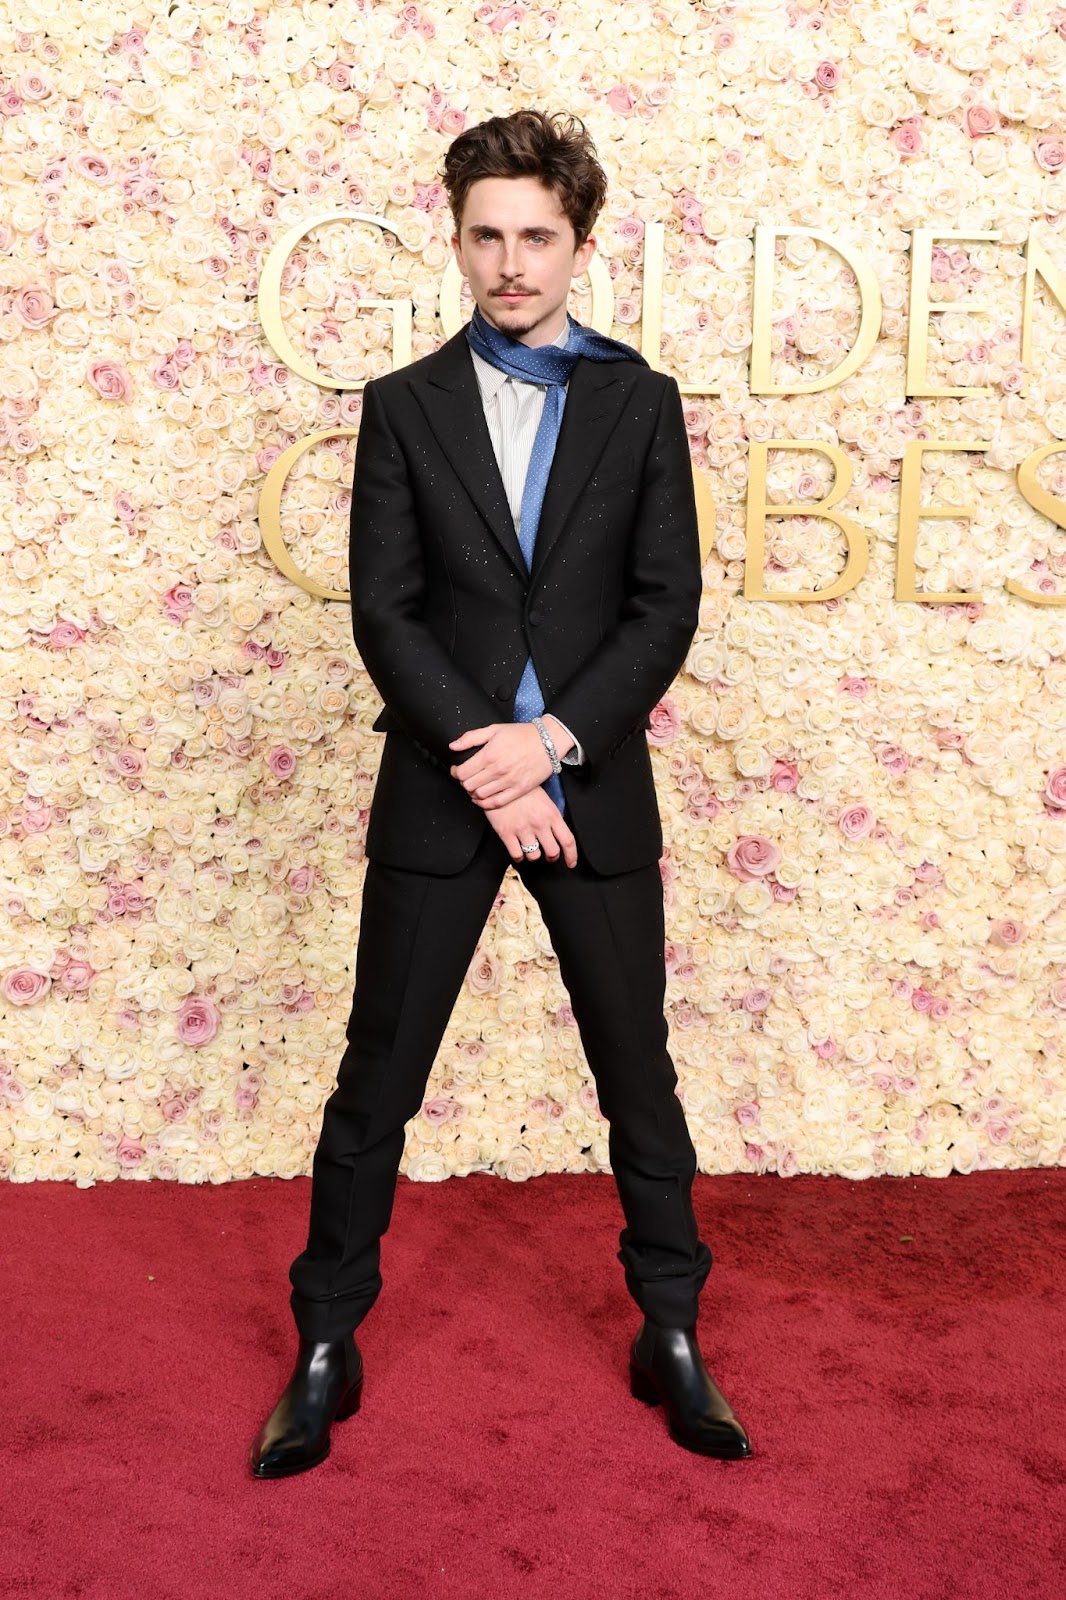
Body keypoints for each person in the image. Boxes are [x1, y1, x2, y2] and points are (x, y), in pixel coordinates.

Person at [250, 108, 751, 1478]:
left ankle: (671, 1332)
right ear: (457, 241)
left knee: (635, 1077)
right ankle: (323, 1347)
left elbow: (665, 606)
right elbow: (384, 612)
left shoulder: (638, 404)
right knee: (376, 1083)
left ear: (578, 245)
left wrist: (556, 747)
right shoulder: (401, 405)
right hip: (440, 787)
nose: (511, 262)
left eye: (537, 236)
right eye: (487, 236)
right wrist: (490, 754)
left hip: (589, 790)